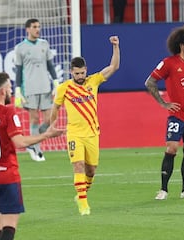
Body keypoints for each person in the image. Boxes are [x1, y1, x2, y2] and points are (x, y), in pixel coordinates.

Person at [0, 72, 64, 240]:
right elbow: (20, 142)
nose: (11, 92)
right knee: (8, 229)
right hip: (6, 177)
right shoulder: (8, 113)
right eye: (9, 88)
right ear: (3, 92)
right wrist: (46, 135)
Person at [50, 36, 120, 216]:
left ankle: (81, 194)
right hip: (74, 133)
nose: (80, 76)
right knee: (78, 166)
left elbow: (114, 67)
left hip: (92, 133)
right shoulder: (64, 88)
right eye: (77, 74)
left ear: (85, 70)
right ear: (71, 72)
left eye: (82, 73)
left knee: (91, 170)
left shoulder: (93, 81)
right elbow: (56, 107)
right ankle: (83, 203)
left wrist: (116, 47)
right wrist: (52, 125)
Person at [144, 24, 184, 200]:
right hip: (177, 115)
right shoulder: (169, 63)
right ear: (181, 45)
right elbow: (150, 82)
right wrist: (163, 103)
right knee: (171, 148)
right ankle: (163, 189)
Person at [14, 18, 59, 162]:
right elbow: (19, 70)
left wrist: (56, 82)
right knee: (34, 118)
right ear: (28, 29)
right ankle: (37, 150)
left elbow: (50, 65)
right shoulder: (20, 47)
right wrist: (18, 89)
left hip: (45, 87)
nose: (37, 29)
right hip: (30, 88)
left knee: (50, 118)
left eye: (39, 27)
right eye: (34, 27)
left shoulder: (44, 44)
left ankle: (31, 142)